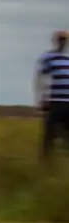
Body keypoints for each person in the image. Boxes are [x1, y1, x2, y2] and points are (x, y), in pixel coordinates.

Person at [36, 31, 69, 162]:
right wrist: (41, 98)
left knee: (67, 135)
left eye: (65, 40)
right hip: (54, 101)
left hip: (68, 102)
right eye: (61, 39)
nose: (63, 42)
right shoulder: (48, 57)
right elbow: (41, 78)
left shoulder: (67, 59)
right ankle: (46, 161)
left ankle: (64, 162)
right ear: (56, 41)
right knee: (50, 134)